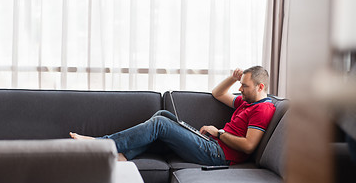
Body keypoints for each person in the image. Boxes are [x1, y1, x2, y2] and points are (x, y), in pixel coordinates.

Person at [70, 66, 276, 165]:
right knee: (163, 114)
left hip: (219, 155)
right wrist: (233, 79)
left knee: (160, 124)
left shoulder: (262, 109)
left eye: (245, 86)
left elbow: (249, 145)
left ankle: (100, 144)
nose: (240, 89)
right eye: (241, 85)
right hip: (212, 143)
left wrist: (219, 133)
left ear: (260, 87)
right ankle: (124, 155)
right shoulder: (248, 102)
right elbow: (218, 93)